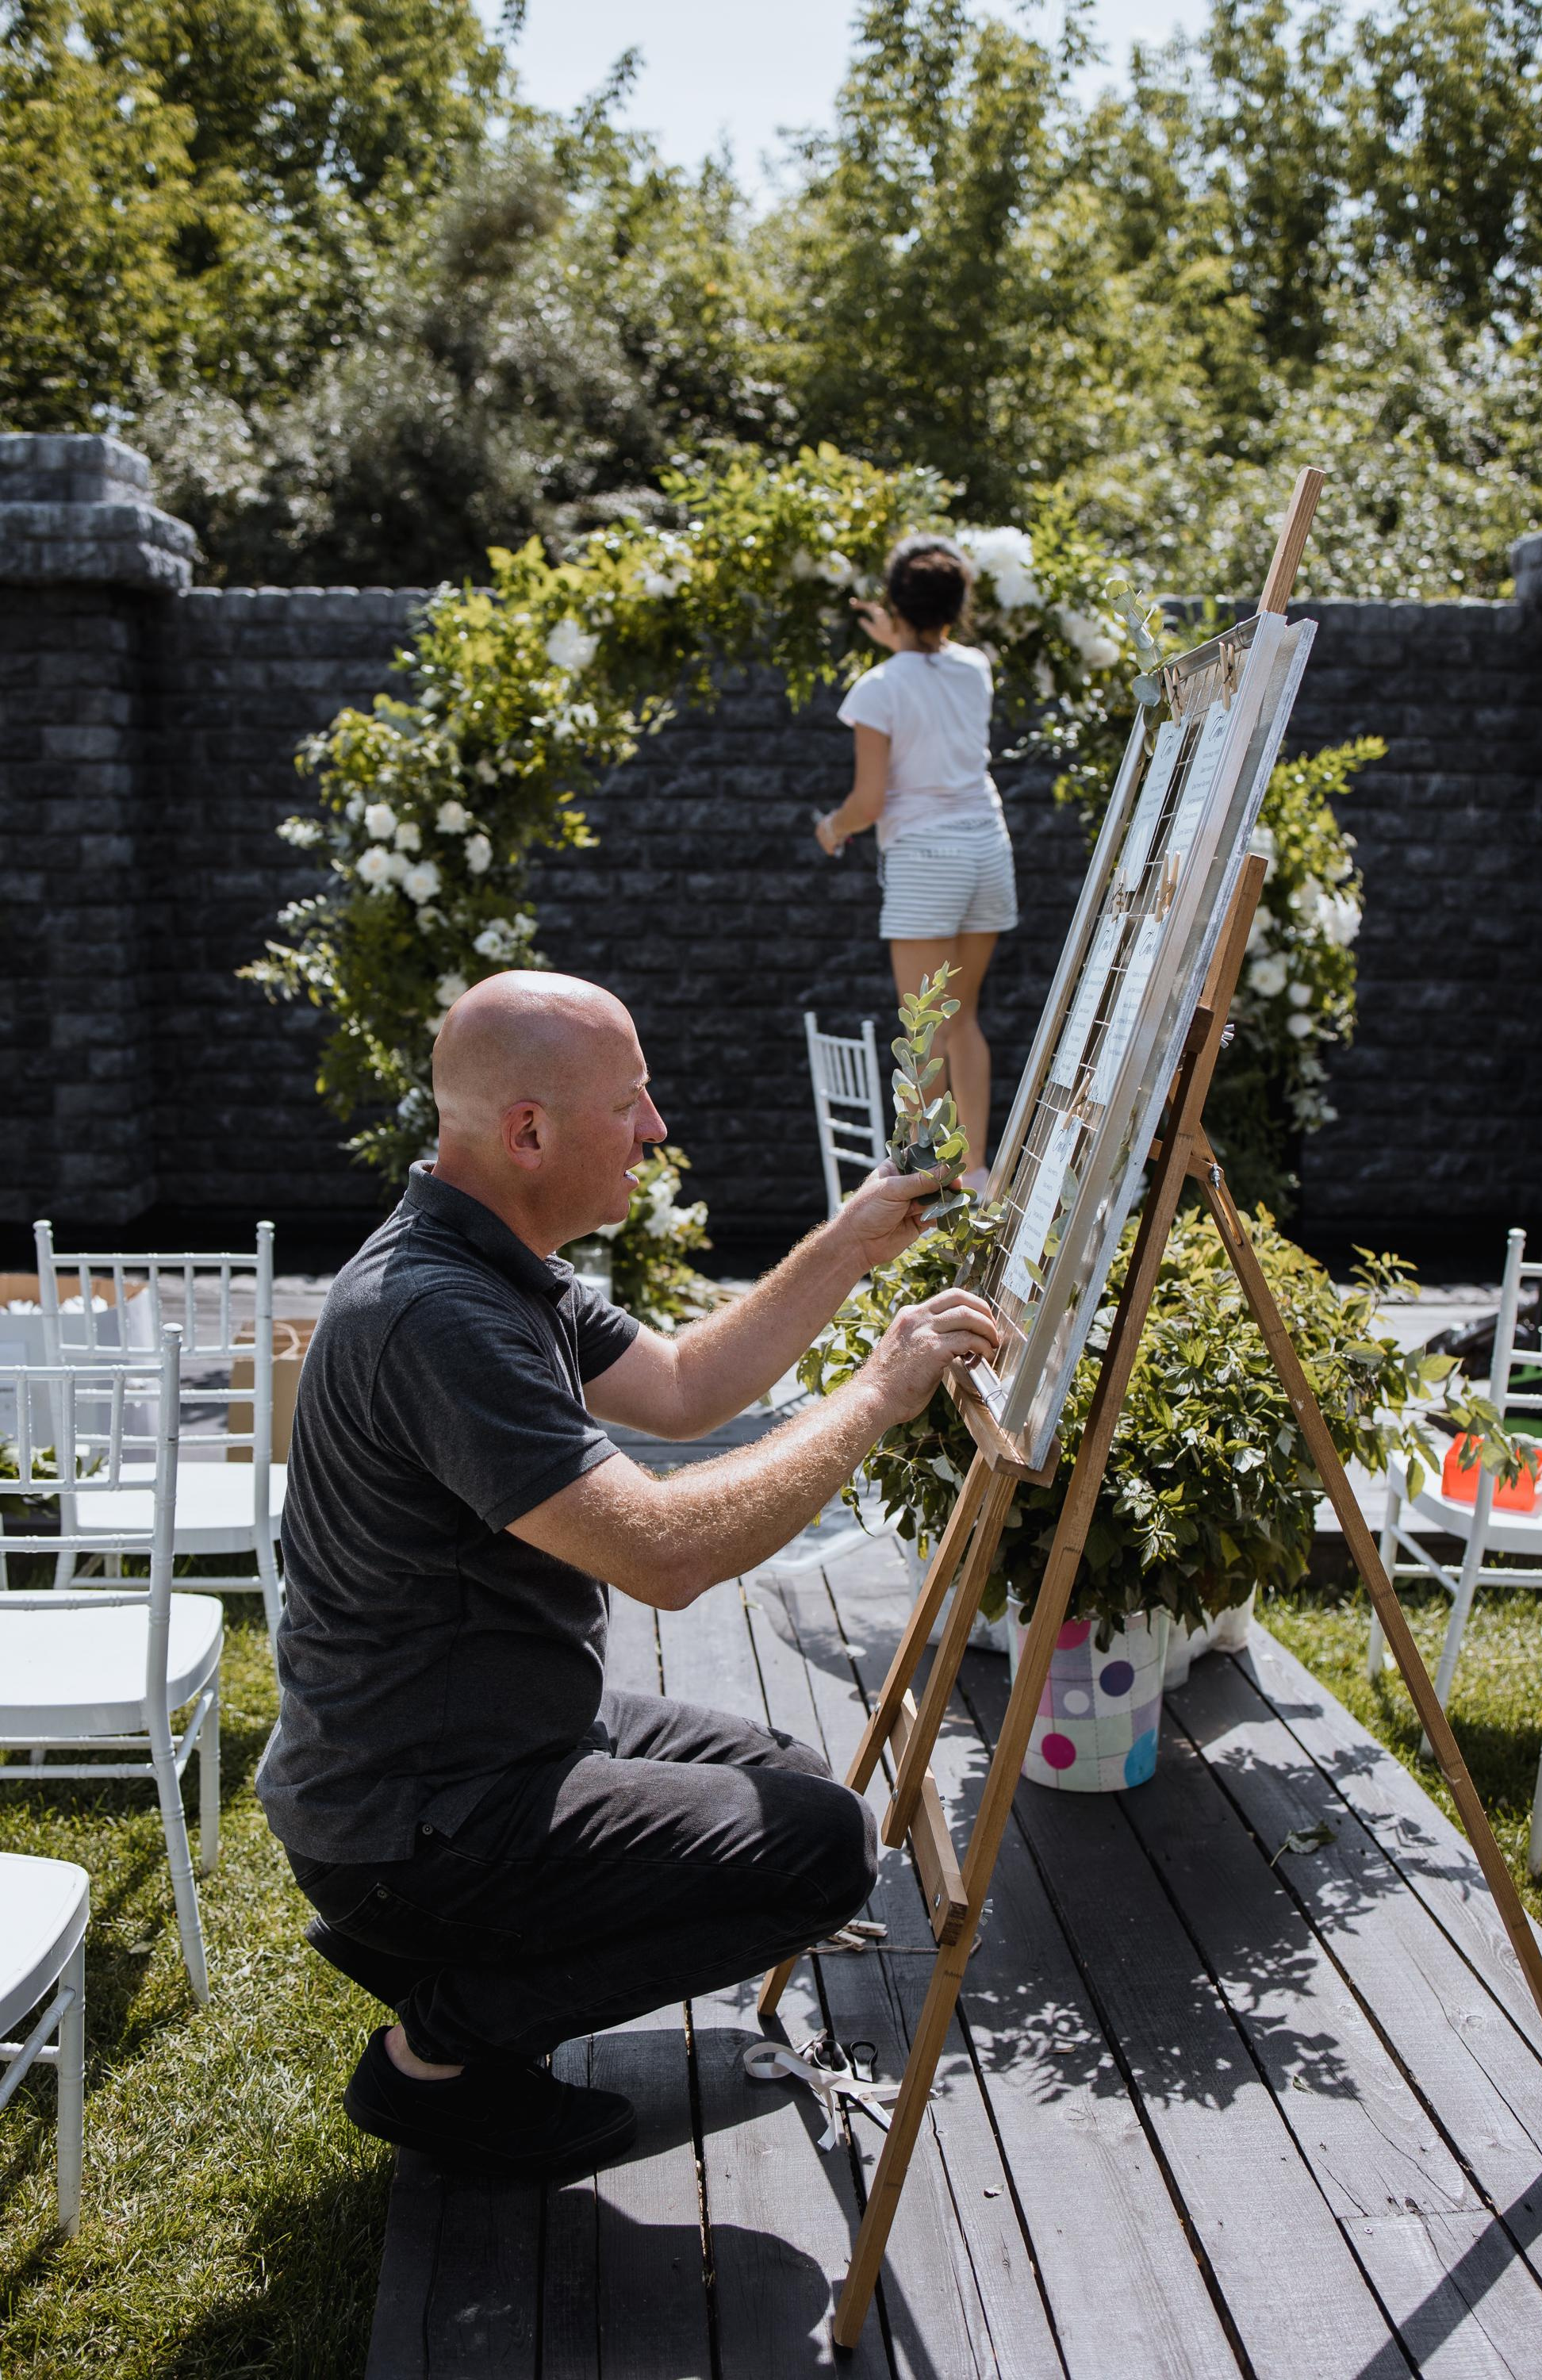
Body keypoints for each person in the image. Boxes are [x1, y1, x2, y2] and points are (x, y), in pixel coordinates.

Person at [255, 969, 1000, 2181]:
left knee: (789, 1787)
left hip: (487, 1737)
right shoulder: (438, 1317)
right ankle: (436, 2051)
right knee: (821, 1848)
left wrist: (854, 1244)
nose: (657, 1131)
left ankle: (463, 1974)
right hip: (411, 1819)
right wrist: (879, 1389)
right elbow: (667, 1554)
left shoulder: (492, 1258)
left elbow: (683, 1386)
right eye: (631, 1104)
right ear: (529, 1133)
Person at [815, 535, 1018, 1191]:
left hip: (927, 859)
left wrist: (831, 827)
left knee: (919, 1031)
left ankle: (921, 1182)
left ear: (893, 604)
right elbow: (927, 666)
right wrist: (902, 638)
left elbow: (868, 802)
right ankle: (977, 1169)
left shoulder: (877, 688)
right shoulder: (975, 667)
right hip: (988, 848)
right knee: (963, 1018)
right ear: (956, 606)